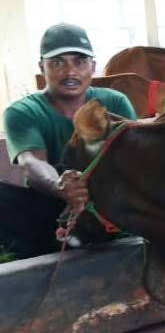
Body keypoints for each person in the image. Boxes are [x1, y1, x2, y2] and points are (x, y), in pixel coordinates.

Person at [1, 23, 136, 259]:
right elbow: (31, 161)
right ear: (41, 67)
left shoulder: (115, 102)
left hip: (106, 204)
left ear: (92, 66)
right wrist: (59, 187)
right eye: (57, 63)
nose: (70, 72)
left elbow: (134, 157)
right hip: (48, 204)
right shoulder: (22, 111)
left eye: (80, 62)